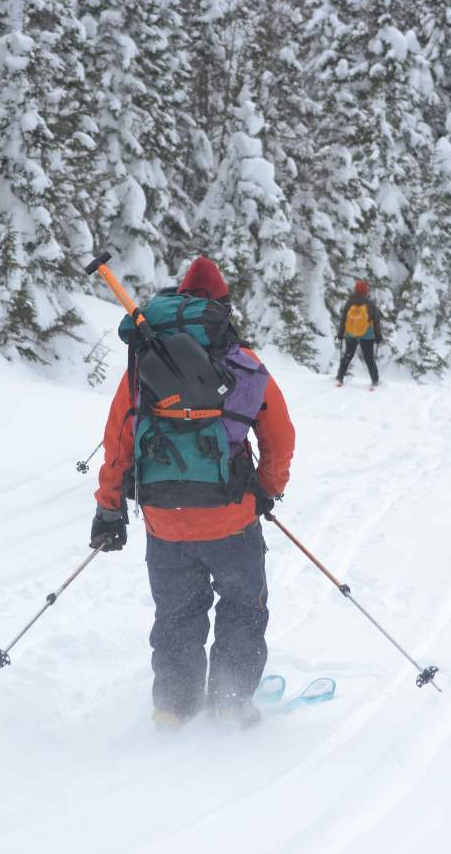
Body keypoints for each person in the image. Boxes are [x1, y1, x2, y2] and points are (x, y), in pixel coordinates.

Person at [90, 257, 296, 730]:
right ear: (221, 309)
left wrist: (109, 508)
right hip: (231, 519)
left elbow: (118, 439)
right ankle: (230, 700)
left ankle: (173, 708)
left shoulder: (144, 364)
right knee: (243, 608)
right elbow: (280, 436)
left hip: (165, 520)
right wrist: (267, 488)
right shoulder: (244, 364)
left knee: (178, 614)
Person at [335, 279, 384, 388]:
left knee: (348, 355)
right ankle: (375, 380)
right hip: (367, 334)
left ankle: (340, 377)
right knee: (369, 358)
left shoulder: (349, 303)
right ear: (366, 291)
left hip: (350, 333)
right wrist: (378, 335)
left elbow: (343, 319)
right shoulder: (370, 304)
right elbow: (376, 321)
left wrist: (340, 333)